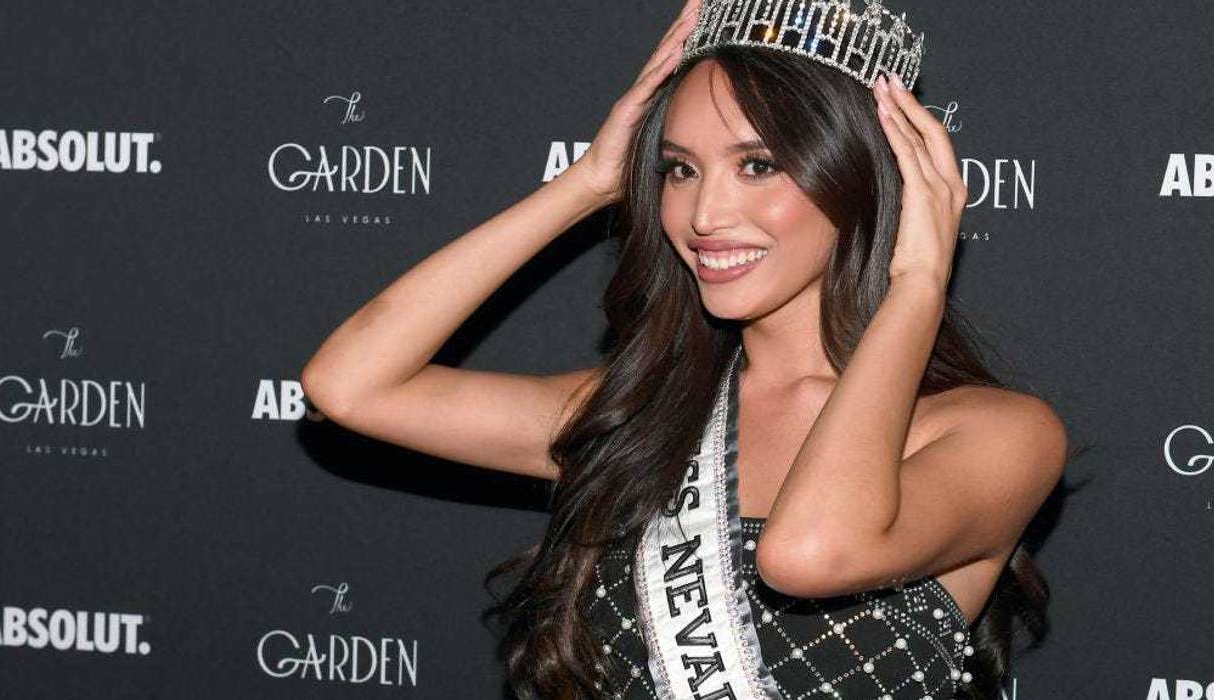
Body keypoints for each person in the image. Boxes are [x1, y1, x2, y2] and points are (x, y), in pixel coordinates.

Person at [300, 1, 1069, 698]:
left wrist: (917, 285)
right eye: (678, 168)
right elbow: (349, 384)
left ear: (859, 182)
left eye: (756, 165)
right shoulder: (640, 416)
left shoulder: (998, 434)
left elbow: (809, 553)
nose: (704, 212)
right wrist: (589, 183)